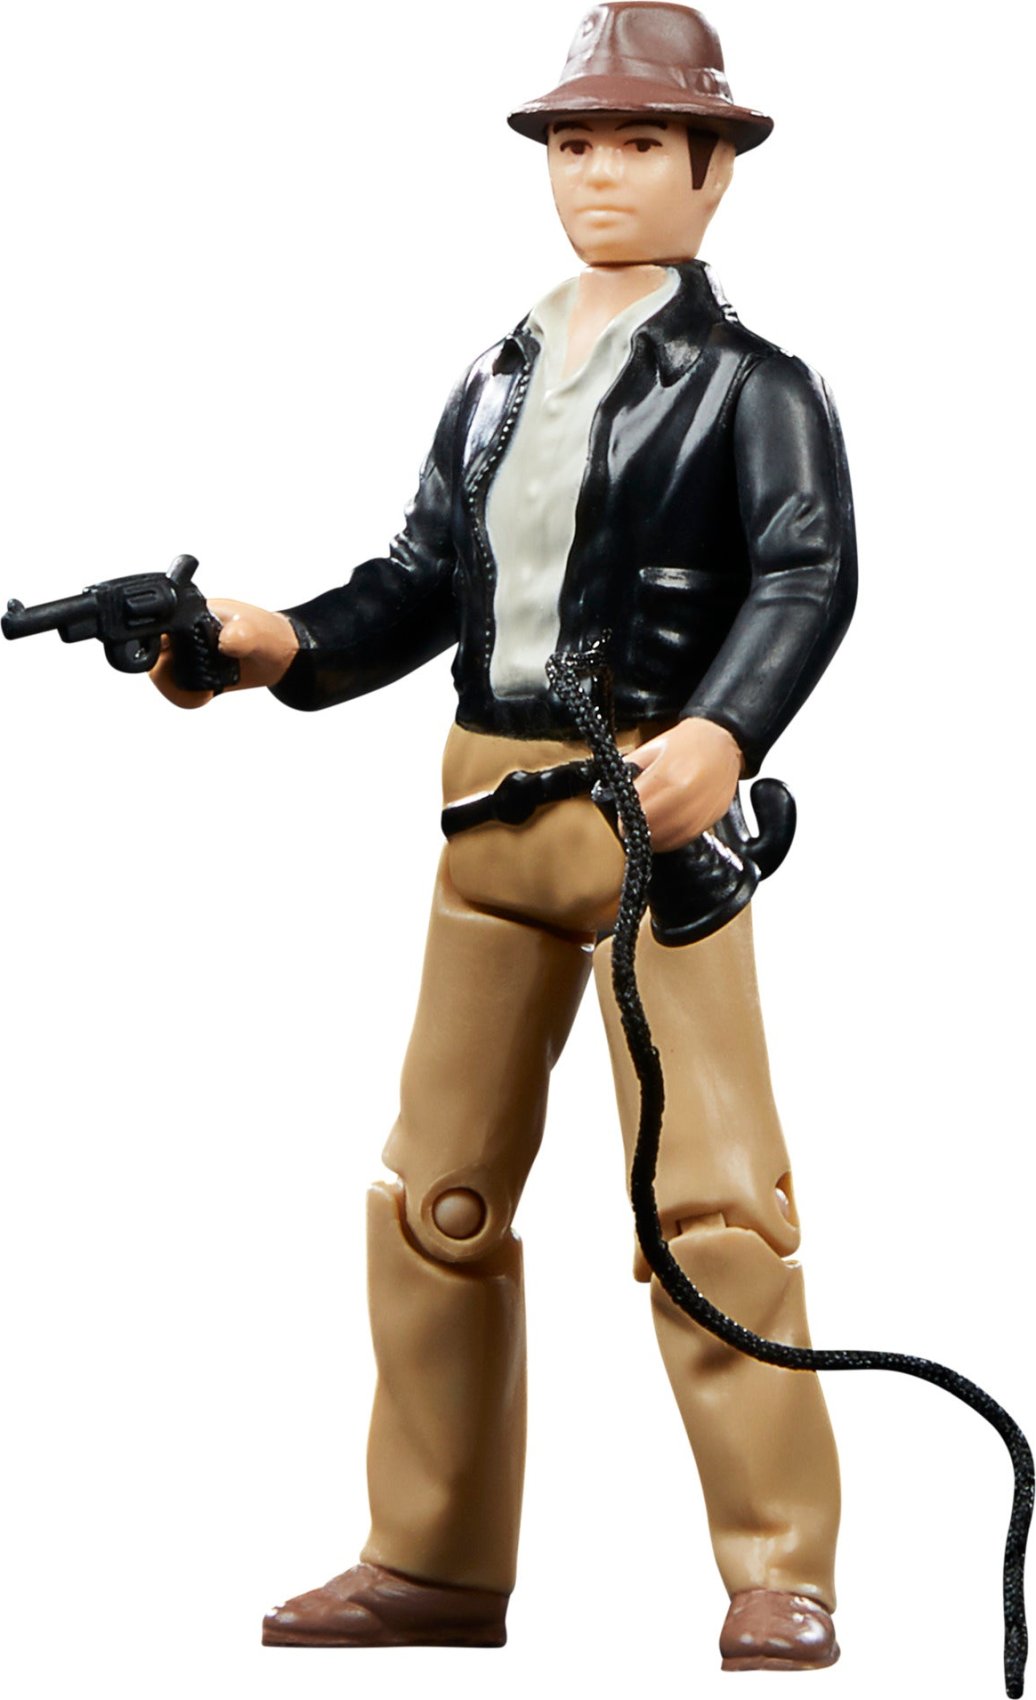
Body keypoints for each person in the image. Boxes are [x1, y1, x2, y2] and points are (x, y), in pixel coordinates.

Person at [151, 3, 857, 1671]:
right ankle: (434, 1555)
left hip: (652, 813)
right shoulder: (496, 375)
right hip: (487, 811)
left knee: (714, 1208)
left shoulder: (754, 385)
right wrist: (271, 644)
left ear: (712, 168)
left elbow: (807, 572)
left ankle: (780, 1561)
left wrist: (722, 735)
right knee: (438, 1200)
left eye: (637, 142)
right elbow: (416, 579)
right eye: (574, 143)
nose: (599, 172)